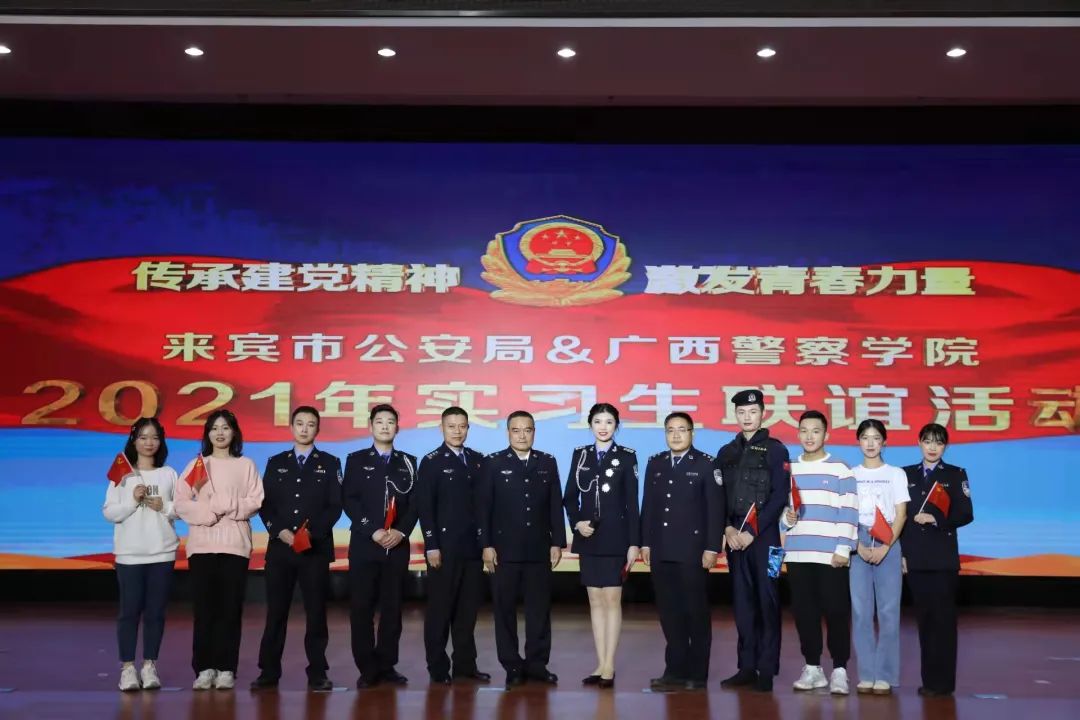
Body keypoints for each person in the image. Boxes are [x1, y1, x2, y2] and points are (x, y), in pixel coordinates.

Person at [251, 406, 343, 692]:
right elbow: (265, 504)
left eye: (310, 424)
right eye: (300, 423)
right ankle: (268, 672)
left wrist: (311, 533)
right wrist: (280, 531)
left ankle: (318, 672)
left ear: (318, 429)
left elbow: (335, 506)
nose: (304, 429)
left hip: (314, 550)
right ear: (291, 427)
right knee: (276, 612)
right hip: (281, 549)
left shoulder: (330, 463)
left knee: (316, 613)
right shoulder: (276, 462)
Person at [175, 409, 264, 691]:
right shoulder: (198, 465)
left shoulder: (245, 465)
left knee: (230, 610)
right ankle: (204, 668)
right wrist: (208, 514)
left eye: (225, 428)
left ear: (234, 432)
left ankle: (226, 668)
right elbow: (181, 501)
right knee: (204, 610)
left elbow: (256, 500)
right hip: (202, 546)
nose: (220, 433)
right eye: (214, 428)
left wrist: (228, 506)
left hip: (235, 546)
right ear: (208, 434)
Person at [477, 410, 565, 688]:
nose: (522, 435)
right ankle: (512, 665)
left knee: (539, 611)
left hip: (539, 549)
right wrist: (486, 545)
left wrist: (557, 541)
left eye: (527, 430)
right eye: (516, 430)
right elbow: (483, 508)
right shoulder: (493, 463)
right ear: (508, 433)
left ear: (534, 432)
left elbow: (555, 504)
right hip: (504, 551)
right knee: (504, 611)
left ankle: (537, 665)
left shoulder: (547, 462)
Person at [640, 411, 725, 691]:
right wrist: (645, 542)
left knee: (695, 613)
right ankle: (674, 671)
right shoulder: (656, 463)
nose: (676, 435)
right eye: (670, 430)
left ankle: (697, 674)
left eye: (682, 430)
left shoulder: (706, 464)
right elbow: (648, 506)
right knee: (669, 613)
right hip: (661, 550)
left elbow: (715, 510)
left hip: (692, 551)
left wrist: (712, 547)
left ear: (692, 433)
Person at [715, 389, 790, 693]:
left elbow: (779, 497)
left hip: (765, 538)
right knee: (743, 604)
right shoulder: (726, 452)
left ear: (762, 413)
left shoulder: (776, 450)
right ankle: (746, 667)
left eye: (753, 412)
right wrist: (727, 529)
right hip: (735, 540)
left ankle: (767, 670)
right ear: (735, 414)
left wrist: (751, 532)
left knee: (768, 601)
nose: (747, 417)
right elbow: (718, 496)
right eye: (742, 412)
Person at [562, 403, 640, 689]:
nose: (603, 427)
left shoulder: (627, 456)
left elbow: (632, 503)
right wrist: (576, 523)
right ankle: (600, 663)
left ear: (616, 425)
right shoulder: (580, 454)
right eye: (598, 421)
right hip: (588, 537)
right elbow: (570, 496)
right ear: (590, 425)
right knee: (594, 600)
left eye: (609, 422)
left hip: (616, 538)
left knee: (612, 599)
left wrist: (634, 542)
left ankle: (609, 665)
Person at [780, 410, 858, 695]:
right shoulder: (789, 468)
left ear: (826, 434)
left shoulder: (841, 468)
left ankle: (839, 670)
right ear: (798, 433)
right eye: (804, 431)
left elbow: (849, 510)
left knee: (836, 612)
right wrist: (786, 519)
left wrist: (843, 548)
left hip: (830, 555)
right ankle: (812, 668)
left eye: (815, 431)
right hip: (798, 553)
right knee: (805, 613)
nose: (809, 436)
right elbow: (783, 510)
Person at [343, 403, 418, 688]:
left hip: (396, 546)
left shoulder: (408, 462)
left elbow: (415, 504)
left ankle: (387, 665)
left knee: (392, 608)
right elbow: (349, 500)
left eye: (390, 422)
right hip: (365, 544)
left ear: (398, 428)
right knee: (361, 608)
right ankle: (367, 667)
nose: (385, 426)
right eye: (380, 421)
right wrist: (372, 530)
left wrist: (401, 531)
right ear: (371, 426)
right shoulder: (356, 460)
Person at [102, 417, 179, 692]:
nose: (149, 443)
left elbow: (181, 509)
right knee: (129, 612)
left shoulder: (168, 473)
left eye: (155, 437)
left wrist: (164, 506)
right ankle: (127, 669)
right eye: (143, 437)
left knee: (156, 613)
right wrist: (132, 501)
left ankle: (149, 666)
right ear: (134, 441)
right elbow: (109, 512)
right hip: (130, 555)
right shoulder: (122, 473)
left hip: (162, 553)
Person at [416, 406, 491, 684]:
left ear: (468, 428)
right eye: (451, 426)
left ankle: (465, 665)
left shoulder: (478, 460)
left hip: (472, 548)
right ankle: (437, 668)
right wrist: (431, 545)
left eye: (462, 426)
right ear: (441, 428)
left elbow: (484, 505)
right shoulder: (431, 461)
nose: (457, 431)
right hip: (444, 549)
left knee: (467, 612)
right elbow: (425, 507)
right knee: (440, 611)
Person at [901, 422, 974, 698]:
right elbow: (899, 517)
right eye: (928, 441)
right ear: (919, 442)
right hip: (915, 559)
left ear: (946, 446)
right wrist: (902, 554)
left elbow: (966, 514)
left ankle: (944, 684)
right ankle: (929, 681)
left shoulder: (955, 475)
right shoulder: (905, 474)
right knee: (924, 621)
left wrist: (936, 519)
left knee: (944, 622)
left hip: (943, 560)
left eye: (939, 442)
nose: (932, 447)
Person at [848, 419, 908, 695]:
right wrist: (858, 547)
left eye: (876, 438)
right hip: (858, 538)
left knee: (888, 611)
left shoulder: (896, 474)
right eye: (865, 437)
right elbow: (846, 514)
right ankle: (866, 674)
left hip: (888, 538)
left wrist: (885, 547)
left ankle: (885, 675)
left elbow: (901, 514)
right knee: (861, 612)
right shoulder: (851, 474)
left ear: (884, 442)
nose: (870, 443)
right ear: (858, 441)